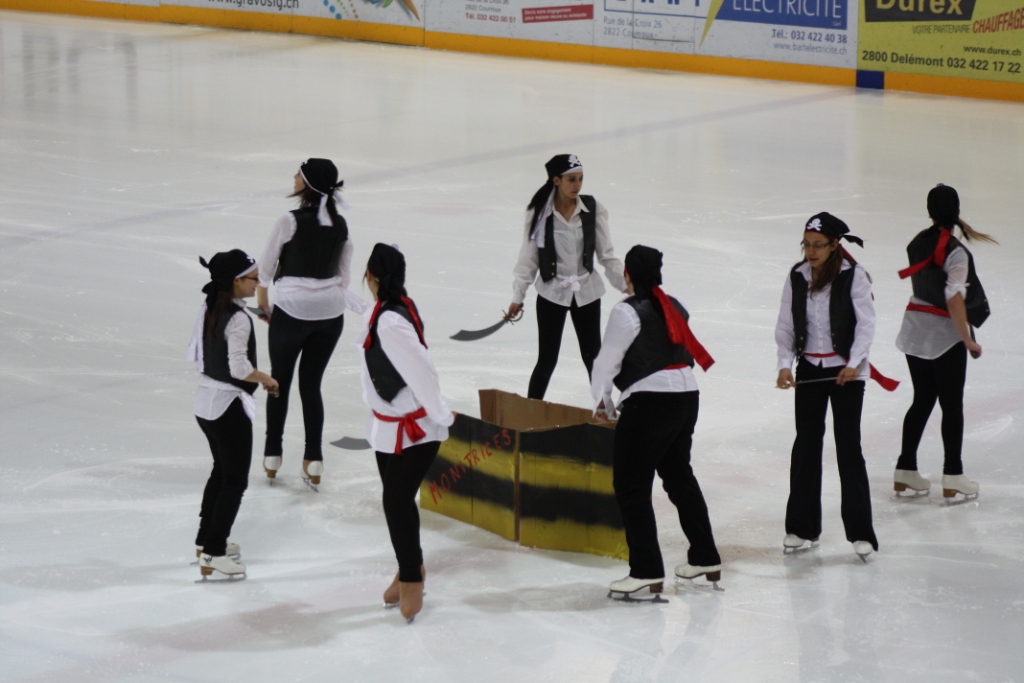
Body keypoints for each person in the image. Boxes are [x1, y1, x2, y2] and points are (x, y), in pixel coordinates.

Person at [591, 245, 721, 599]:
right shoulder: (676, 304)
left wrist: (603, 403)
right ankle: (705, 556)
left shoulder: (626, 311)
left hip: (650, 402)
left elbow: (606, 363)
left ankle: (645, 570)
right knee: (679, 477)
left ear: (627, 274)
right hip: (686, 397)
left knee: (631, 485)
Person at [775, 213, 881, 560]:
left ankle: (861, 532)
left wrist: (854, 362)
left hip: (847, 373)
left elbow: (866, 324)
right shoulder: (797, 275)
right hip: (810, 370)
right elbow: (786, 324)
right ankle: (802, 527)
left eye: (818, 245)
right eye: (806, 244)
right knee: (806, 446)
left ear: (835, 245)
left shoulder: (853, 276)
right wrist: (784, 364)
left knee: (848, 447)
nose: (811, 251)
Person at [359, 243, 455, 623]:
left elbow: (422, 369)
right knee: (396, 501)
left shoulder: (390, 322)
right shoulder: (384, 308)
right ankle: (410, 566)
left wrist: (441, 414)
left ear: (370, 276)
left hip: (416, 429)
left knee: (396, 502)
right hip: (388, 426)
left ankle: (412, 577)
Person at [893, 184, 995, 501]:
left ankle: (905, 469)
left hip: (914, 329)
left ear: (929, 211)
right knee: (951, 405)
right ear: (957, 210)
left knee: (923, 399)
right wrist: (967, 340)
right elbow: (953, 298)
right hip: (944, 336)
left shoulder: (916, 243)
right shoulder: (956, 251)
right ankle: (953, 474)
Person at [256, 159, 353, 488]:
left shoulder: (289, 220)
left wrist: (263, 304)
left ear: (308, 183)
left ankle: (272, 454)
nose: (294, 177)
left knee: (278, 383)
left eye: (298, 174)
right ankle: (314, 459)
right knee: (311, 385)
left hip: (292, 311)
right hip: (330, 315)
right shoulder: (341, 224)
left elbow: (266, 268)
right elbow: (344, 277)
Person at [187, 250, 279, 579]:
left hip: (205, 403)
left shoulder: (210, 305)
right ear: (236, 281)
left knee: (221, 472)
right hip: (228, 408)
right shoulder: (238, 318)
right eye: (253, 278)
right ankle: (213, 552)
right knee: (234, 481)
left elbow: (198, 352)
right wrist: (267, 379)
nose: (258, 283)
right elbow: (239, 368)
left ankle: (205, 540)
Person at [508, 154, 627, 400]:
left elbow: (606, 255)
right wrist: (518, 296)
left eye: (580, 179)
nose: (577, 185)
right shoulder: (540, 214)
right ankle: (530, 411)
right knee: (547, 359)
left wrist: (627, 285)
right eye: (571, 179)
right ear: (556, 180)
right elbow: (528, 258)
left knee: (593, 358)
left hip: (587, 292)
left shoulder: (593, 209)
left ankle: (605, 410)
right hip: (552, 293)